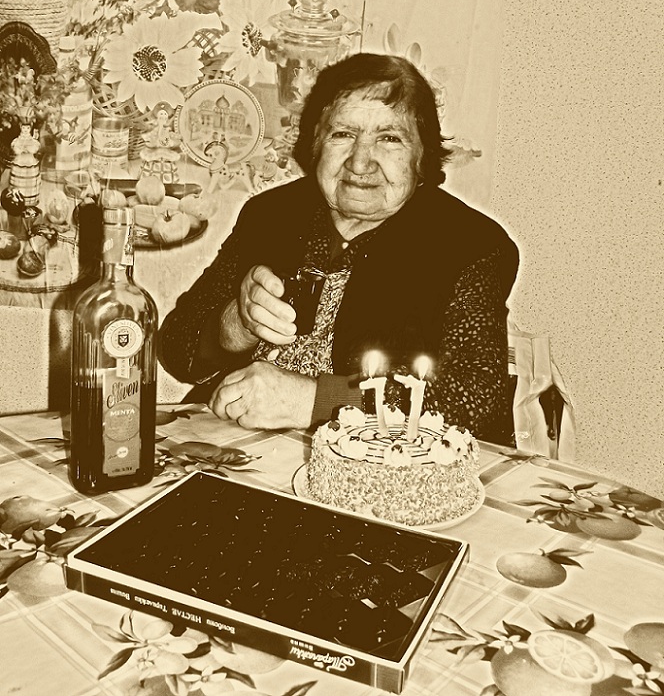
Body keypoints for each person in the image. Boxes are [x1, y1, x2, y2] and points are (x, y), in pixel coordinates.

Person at [158, 53, 519, 443]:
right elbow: (175, 350)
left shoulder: (471, 244)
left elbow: (474, 398)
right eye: (343, 134)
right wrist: (236, 324)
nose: (360, 163)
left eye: (390, 138)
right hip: (237, 445)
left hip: (383, 463)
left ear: (423, 155)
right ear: (317, 142)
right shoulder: (271, 214)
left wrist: (317, 402)